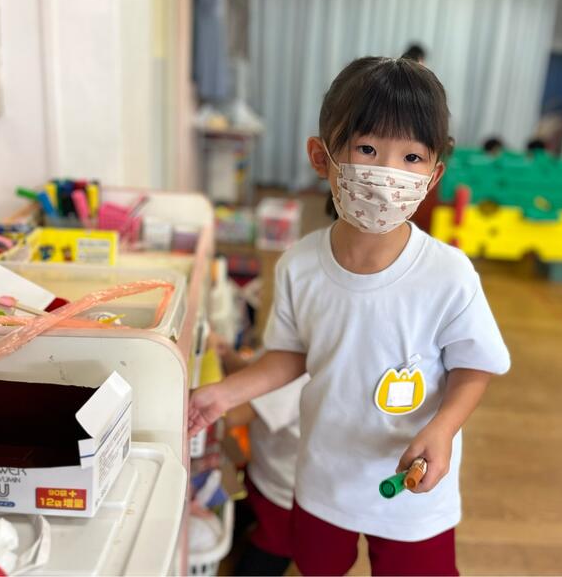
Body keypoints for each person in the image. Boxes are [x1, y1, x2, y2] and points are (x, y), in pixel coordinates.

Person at [189, 57, 510, 576]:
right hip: (324, 478)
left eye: (411, 156)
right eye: (366, 149)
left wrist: (444, 429)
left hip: (413, 481)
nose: (387, 173)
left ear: (433, 176)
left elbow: (475, 366)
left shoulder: (448, 274)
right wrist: (224, 394)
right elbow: (291, 354)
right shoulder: (299, 265)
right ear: (322, 157)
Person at [208, 334, 307, 576]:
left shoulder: (302, 372)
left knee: (256, 565)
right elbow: (252, 375)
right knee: (231, 521)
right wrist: (227, 354)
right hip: (262, 470)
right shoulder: (291, 343)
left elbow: (232, 415)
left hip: (285, 496)